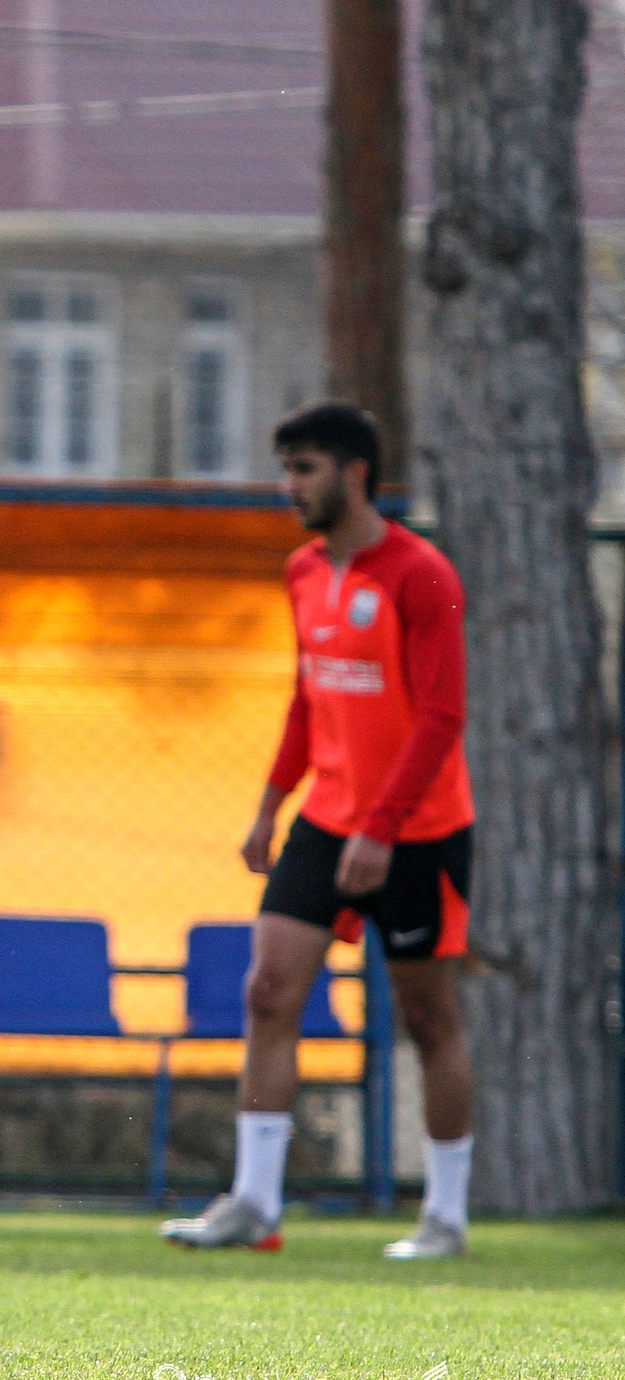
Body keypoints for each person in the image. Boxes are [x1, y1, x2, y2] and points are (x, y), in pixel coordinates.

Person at [162, 403, 475, 1259]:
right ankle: (253, 1205)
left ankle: (445, 1218)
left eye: (305, 470)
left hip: (417, 830)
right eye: (286, 469)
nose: (288, 487)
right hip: (327, 822)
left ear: (355, 474)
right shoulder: (302, 571)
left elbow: (443, 716)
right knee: (268, 993)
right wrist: (271, 806)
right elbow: (310, 698)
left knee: (427, 1017)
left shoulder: (422, 576)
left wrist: (384, 829)